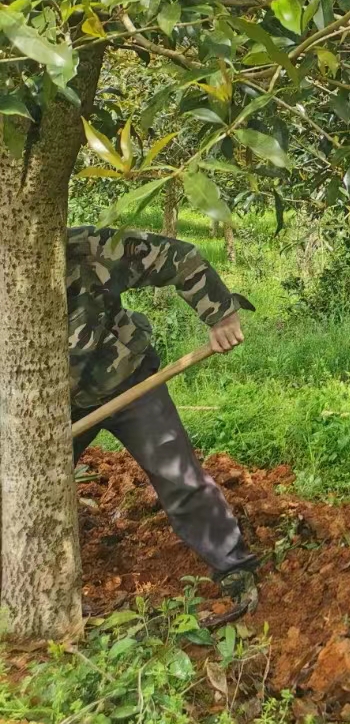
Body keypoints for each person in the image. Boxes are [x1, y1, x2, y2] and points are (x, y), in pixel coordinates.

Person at [67, 224, 259, 619]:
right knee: (19, 488)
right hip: (49, 407)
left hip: (128, 378)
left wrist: (220, 313)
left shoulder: (86, 250)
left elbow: (177, 256)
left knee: (179, 477)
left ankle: (233, 566)